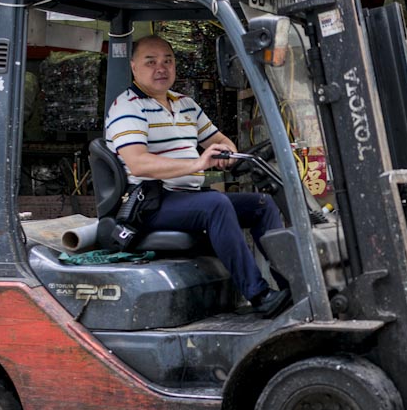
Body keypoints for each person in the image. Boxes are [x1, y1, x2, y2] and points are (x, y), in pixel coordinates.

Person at [105, 35, 291, 319]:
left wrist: (227, 153)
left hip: (187, 197)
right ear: (133, 66)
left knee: (262, 204)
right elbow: (138, 163)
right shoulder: (128, 107)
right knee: (216, 204)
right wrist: (197, 163)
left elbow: (219, 139)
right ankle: (259, 294)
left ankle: (293, 285)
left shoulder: (185, 104)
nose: (161, 68)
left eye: (167, 61)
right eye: (151, 62)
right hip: (150, 202)